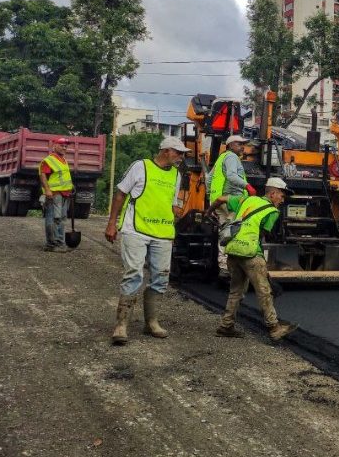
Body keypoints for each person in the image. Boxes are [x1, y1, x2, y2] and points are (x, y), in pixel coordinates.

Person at [105, 136, 187, 345]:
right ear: (166, 150)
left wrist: (176, 211)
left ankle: (151, 322)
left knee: (161, 277)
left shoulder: (176, 175)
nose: (181, 157)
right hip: (136, 230)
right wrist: (112, 223)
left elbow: (171, 202)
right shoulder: (140, 167)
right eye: (178, 152)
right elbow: (120, 194)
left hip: (162, 232)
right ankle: (122, 324)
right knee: (133, 273)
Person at [206, 177, 297, 342]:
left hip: (233, 251)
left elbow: (220, 199)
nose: (283, 200)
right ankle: (274, 327)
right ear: (273, 193)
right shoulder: (272, 212)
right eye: (282, 196)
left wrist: (208, 212)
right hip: (250, 253)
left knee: (236, 291)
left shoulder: (247, 199)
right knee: (264, 291)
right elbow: (262, 235)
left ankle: (226, 326)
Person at [207, 134, 250, 276]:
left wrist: (211, 201)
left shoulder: (221, 158)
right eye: (239, 144)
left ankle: (225, 266)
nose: (242, 146)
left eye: (243, 144)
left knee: (225, 231)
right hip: (231, 200)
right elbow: (232, 176)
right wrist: (247, 186)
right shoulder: (232, 157)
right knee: (231, 232)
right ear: (230, 145)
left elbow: (208, 179)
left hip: (220, 200)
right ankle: (227, 267)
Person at [39, 137, 73, 253]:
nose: (64, 147)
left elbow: (62, 177)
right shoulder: (49, 160)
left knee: (61, 219)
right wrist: (47, 190)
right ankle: (52, 244)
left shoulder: (63, 160)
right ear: (54, 146)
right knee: (54, 219)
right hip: (54, 194)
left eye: (66, 146)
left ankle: (59, 242)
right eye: (62, 145)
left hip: (64, 194)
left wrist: (70, 187)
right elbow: (43, 175)